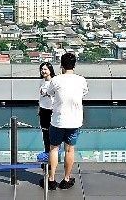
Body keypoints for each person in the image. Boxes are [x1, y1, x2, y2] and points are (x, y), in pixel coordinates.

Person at [42, 52, 88, 191]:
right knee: (69, 150)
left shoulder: (56, 80)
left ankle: (51, 179)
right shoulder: (81, 80)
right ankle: (66, 179)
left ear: (61, 65)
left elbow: (49, 92)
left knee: (54, 148)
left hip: (58, 120)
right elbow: (85, 92)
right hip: (74, 120)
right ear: (74, 65)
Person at [38, 62, 56, 160]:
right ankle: (47, 154)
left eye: (45, 69)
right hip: (43, 110)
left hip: (52, 110)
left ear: (50, 70)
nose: (43, 71)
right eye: (42, 69)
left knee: (52, 134)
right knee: (45, 133)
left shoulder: (54, 82)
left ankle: (53, 155)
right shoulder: (42, 81)